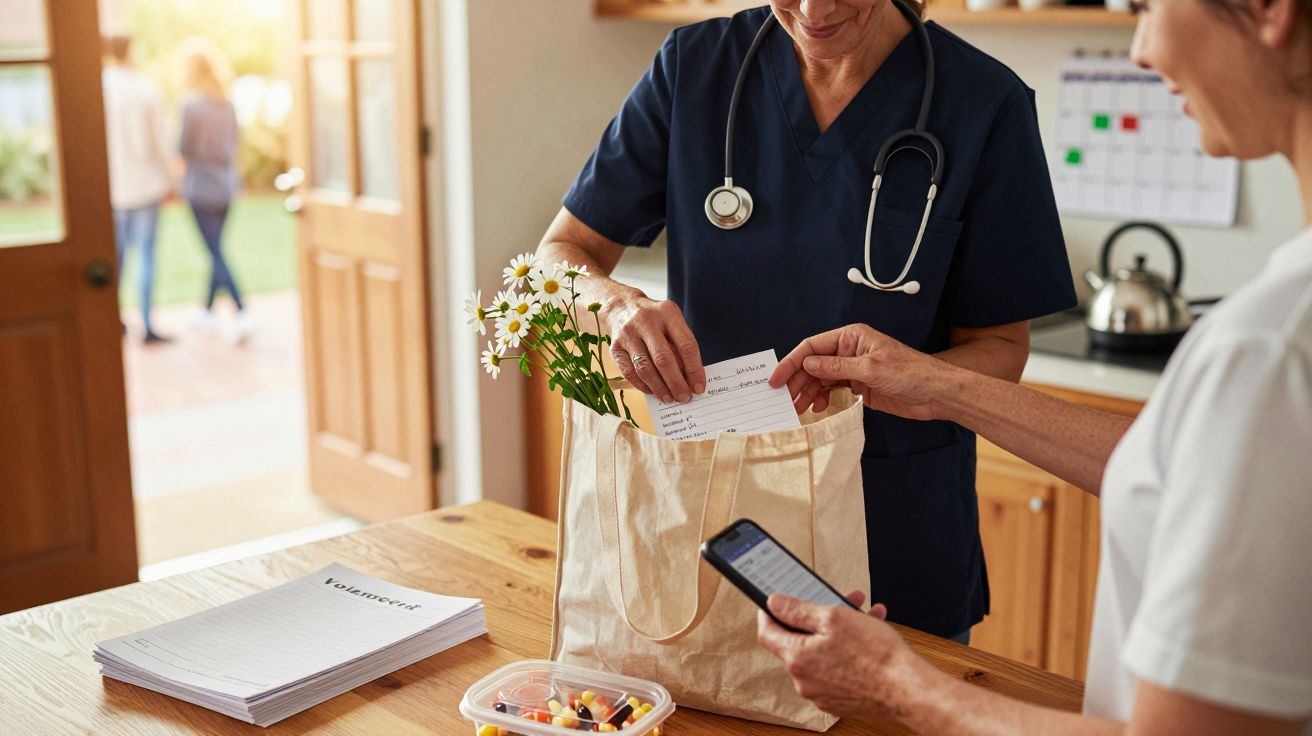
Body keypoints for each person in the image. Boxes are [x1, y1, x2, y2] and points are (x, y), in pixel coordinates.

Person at [757, 0, 1312, 730]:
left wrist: (893, 683)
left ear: (1270, 11)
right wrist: (937, 385)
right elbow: (1182, 472)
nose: (1141, 49)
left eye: (1148, 4)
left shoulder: (1271, 348)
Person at [535, 0, 1076, 643]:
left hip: (890, 530)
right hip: (712, 517)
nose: (815, 10)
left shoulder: (984, 103)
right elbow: (559, 254)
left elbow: (1001, 348)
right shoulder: (695, 69)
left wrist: (912, 379)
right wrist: (614, 303)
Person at [178, 38, 253, 345]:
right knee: (216, 249)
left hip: (201, 189)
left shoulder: (191, 107)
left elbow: (183, 149)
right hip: (226, 187)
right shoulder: (228, 104)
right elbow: (236, 144)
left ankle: (242, 311)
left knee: (216, 252)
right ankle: (207, 312)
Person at [102, 33, 173, 344]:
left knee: (115, 258)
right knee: (145, 257)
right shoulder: (146, 89)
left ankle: (112, 319)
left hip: (113, 188)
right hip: (144, 186)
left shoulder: (99, 86)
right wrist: (171, 180)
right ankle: (146, 323)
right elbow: (161, 143)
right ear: (130, 50)